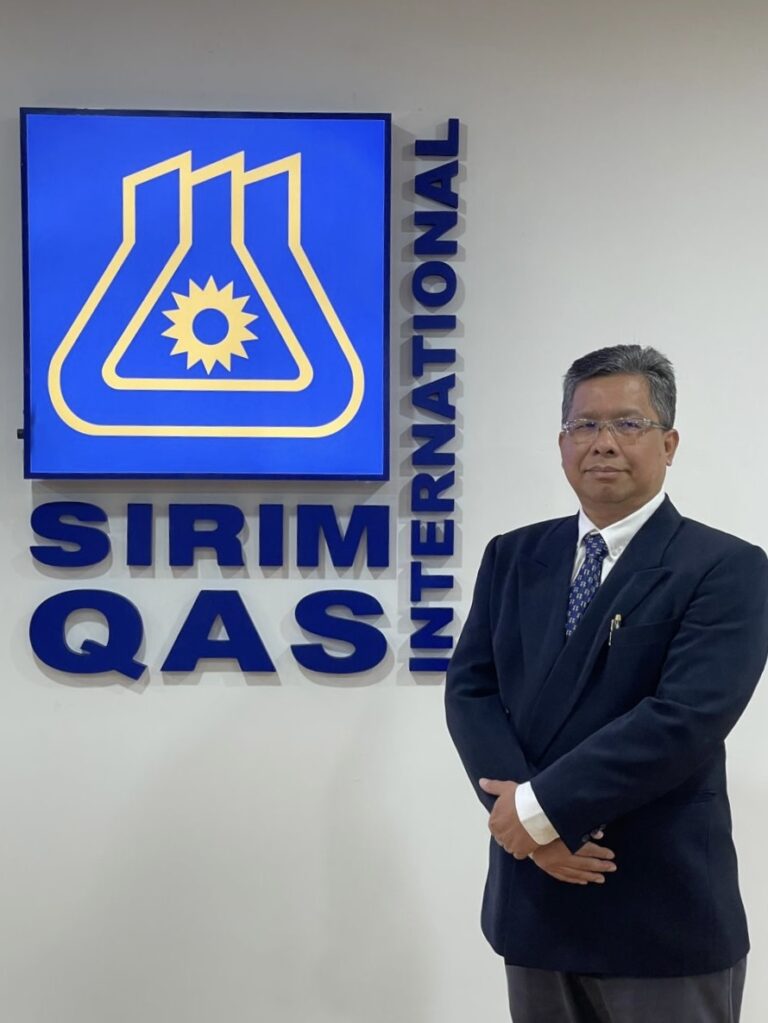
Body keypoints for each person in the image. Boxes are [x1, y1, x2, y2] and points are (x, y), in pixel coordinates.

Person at [445, 345, 768, 1022]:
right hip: (535, 896)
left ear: (669, 443)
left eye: (628, 423)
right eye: (584, 425)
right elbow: (472, 690)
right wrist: (527, 823)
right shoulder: (513, 555)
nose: (603, 443)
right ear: (562, 442)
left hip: (659, 903)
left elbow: (683, 719)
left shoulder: (725, 567)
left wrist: (541, 810)